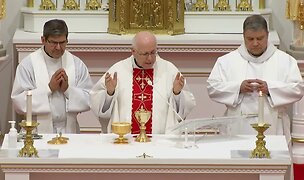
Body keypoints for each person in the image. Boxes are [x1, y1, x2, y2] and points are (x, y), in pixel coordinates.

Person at [207, 14, 304, 143]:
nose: (255, 43)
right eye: (250, 39)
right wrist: (238, 88)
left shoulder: (285, 61)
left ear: (267, 35)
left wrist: (270, 88)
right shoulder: (227, 61)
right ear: (243, 36)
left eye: (260, 38)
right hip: (237, 126)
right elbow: (212, 87)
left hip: (274, 126)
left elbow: (297, 89)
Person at [90, 31, 196, 134]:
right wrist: (110, 93)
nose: (150, 58)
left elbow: (183, 110)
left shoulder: (169, 70)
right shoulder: (118, 70)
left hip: (159, 141)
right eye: (145, 54)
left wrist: (176, 93)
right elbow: (99, 108)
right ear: (133, 51)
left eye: (153, 52)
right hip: (126, 141)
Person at [11, 19, 93, 133]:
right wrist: (49, 88)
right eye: (54, 43)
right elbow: (19, 102)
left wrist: (67, 90)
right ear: (43, 40)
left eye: (62, 42)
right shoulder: (28, 65)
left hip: (69, 131)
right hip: (36, 131)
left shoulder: (76, 64)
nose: (58, 47)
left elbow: (90, 99)